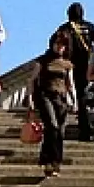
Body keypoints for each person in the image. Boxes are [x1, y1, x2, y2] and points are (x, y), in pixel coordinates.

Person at [53, 3, 94, 139]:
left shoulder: (64, 28)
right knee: (82, 97)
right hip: (86, 66)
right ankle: (84, 130)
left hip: (68, 65)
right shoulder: (90, 27)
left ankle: (63, 128)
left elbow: (53, 43)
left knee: (67, 96)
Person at [32, 30, 77, 177]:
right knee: (52, 125)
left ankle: (55, 161)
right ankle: (48, 160)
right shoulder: (43, 61)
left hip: (61, 98)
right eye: (57, 44)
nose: (59, 47)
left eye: (63, 45)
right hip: (46, 95)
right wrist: (30, 99)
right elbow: (32, 80)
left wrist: (74, 101)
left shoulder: (67, 64)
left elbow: (70, 84)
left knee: (59, 132)